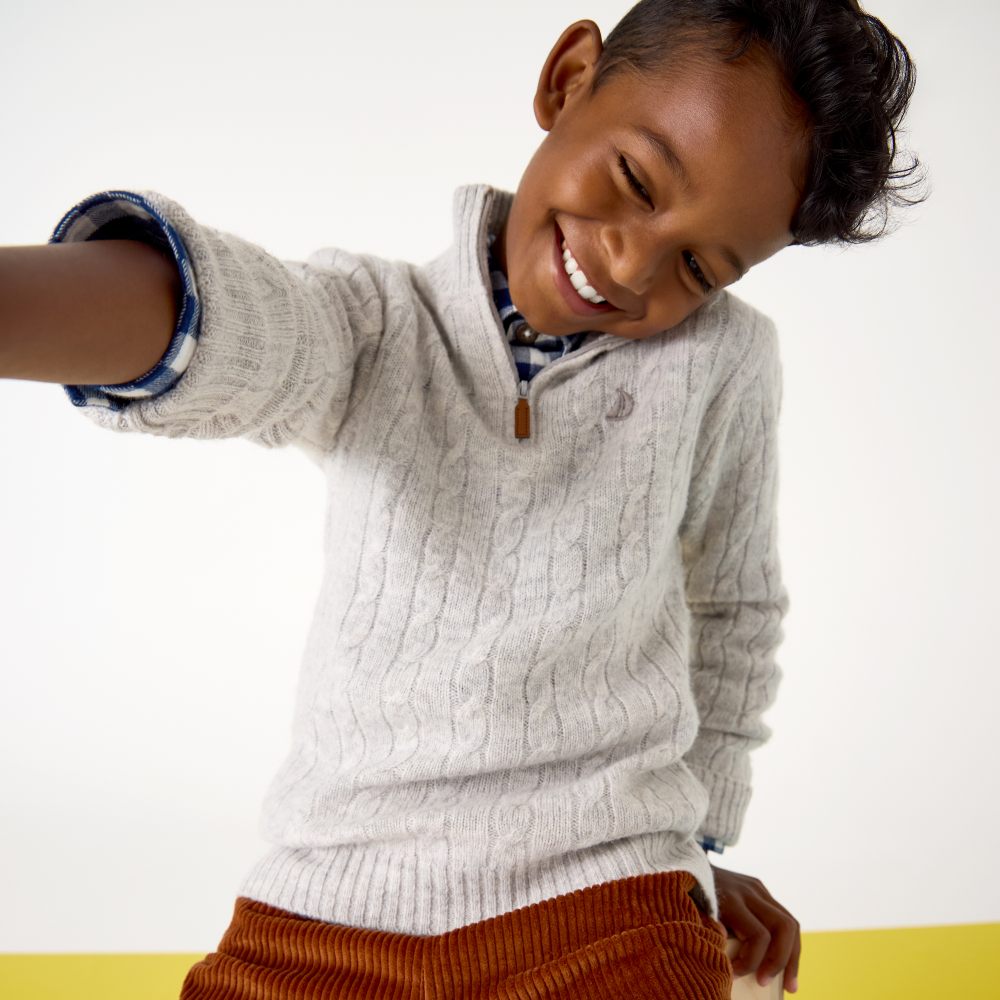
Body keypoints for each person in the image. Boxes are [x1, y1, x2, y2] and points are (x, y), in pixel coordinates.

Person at [0, 1, 924, 997]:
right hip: (326, 903)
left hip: (607, 898)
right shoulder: (374, 323)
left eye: (697, 266)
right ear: (567, 81)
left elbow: (733, 610)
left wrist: (699, 845)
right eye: (634, 180)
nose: (629, 264)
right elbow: (237, 324)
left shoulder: (726, 362)